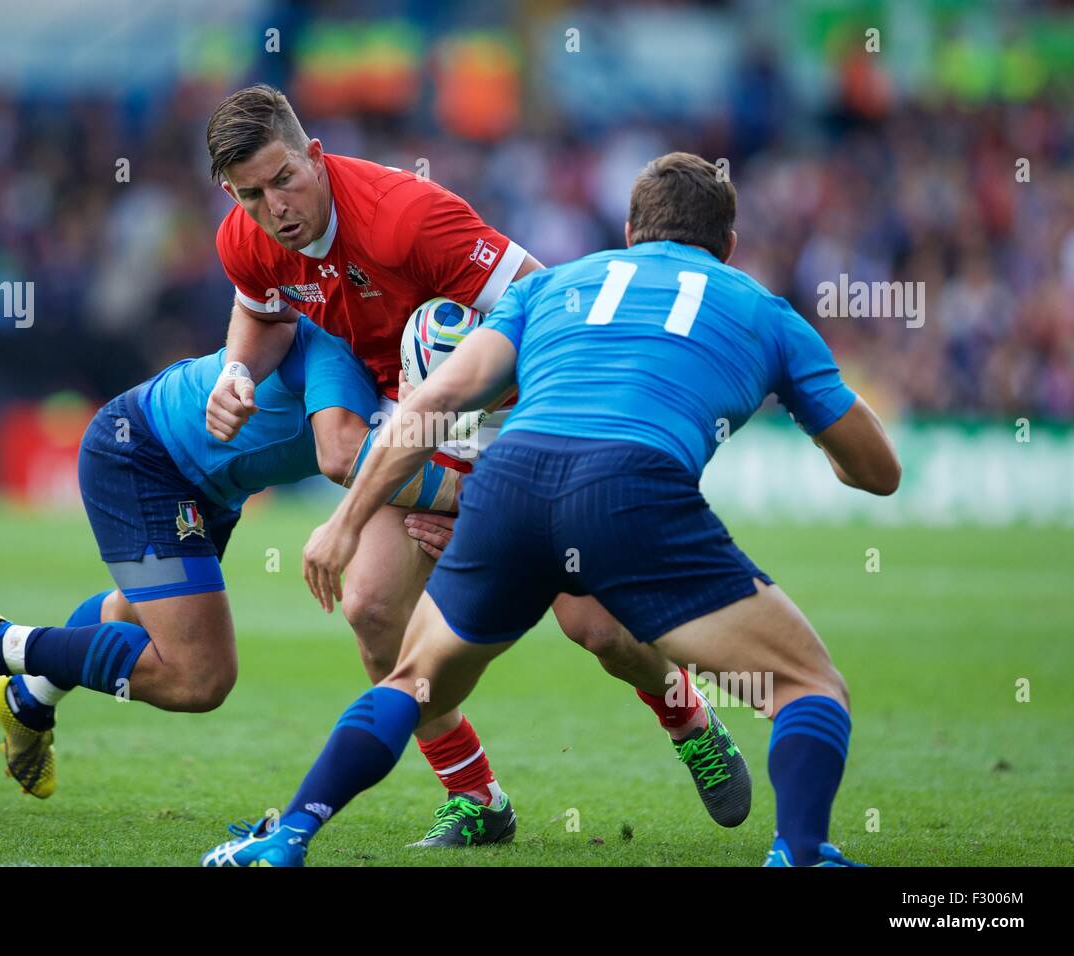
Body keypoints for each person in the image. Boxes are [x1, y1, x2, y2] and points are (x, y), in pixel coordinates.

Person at [200, 151, 901, 867]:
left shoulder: (555, 283)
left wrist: (341, 523)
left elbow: (436, 400)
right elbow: (880, 473)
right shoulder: (764, 311)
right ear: (729, 246)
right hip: (629, 486)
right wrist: (835, 450)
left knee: (420, 679)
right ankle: (802, 853)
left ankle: (289, 836)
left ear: (629, 230)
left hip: (511, 479)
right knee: (808, 685)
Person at [0, 317, 459, 798]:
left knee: (135, 615)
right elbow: (342, 453)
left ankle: (28, 699)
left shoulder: (410, 351)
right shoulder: (342, 341)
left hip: (209, 486)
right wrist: (475, 500)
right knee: (199, 676)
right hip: (145, 456)